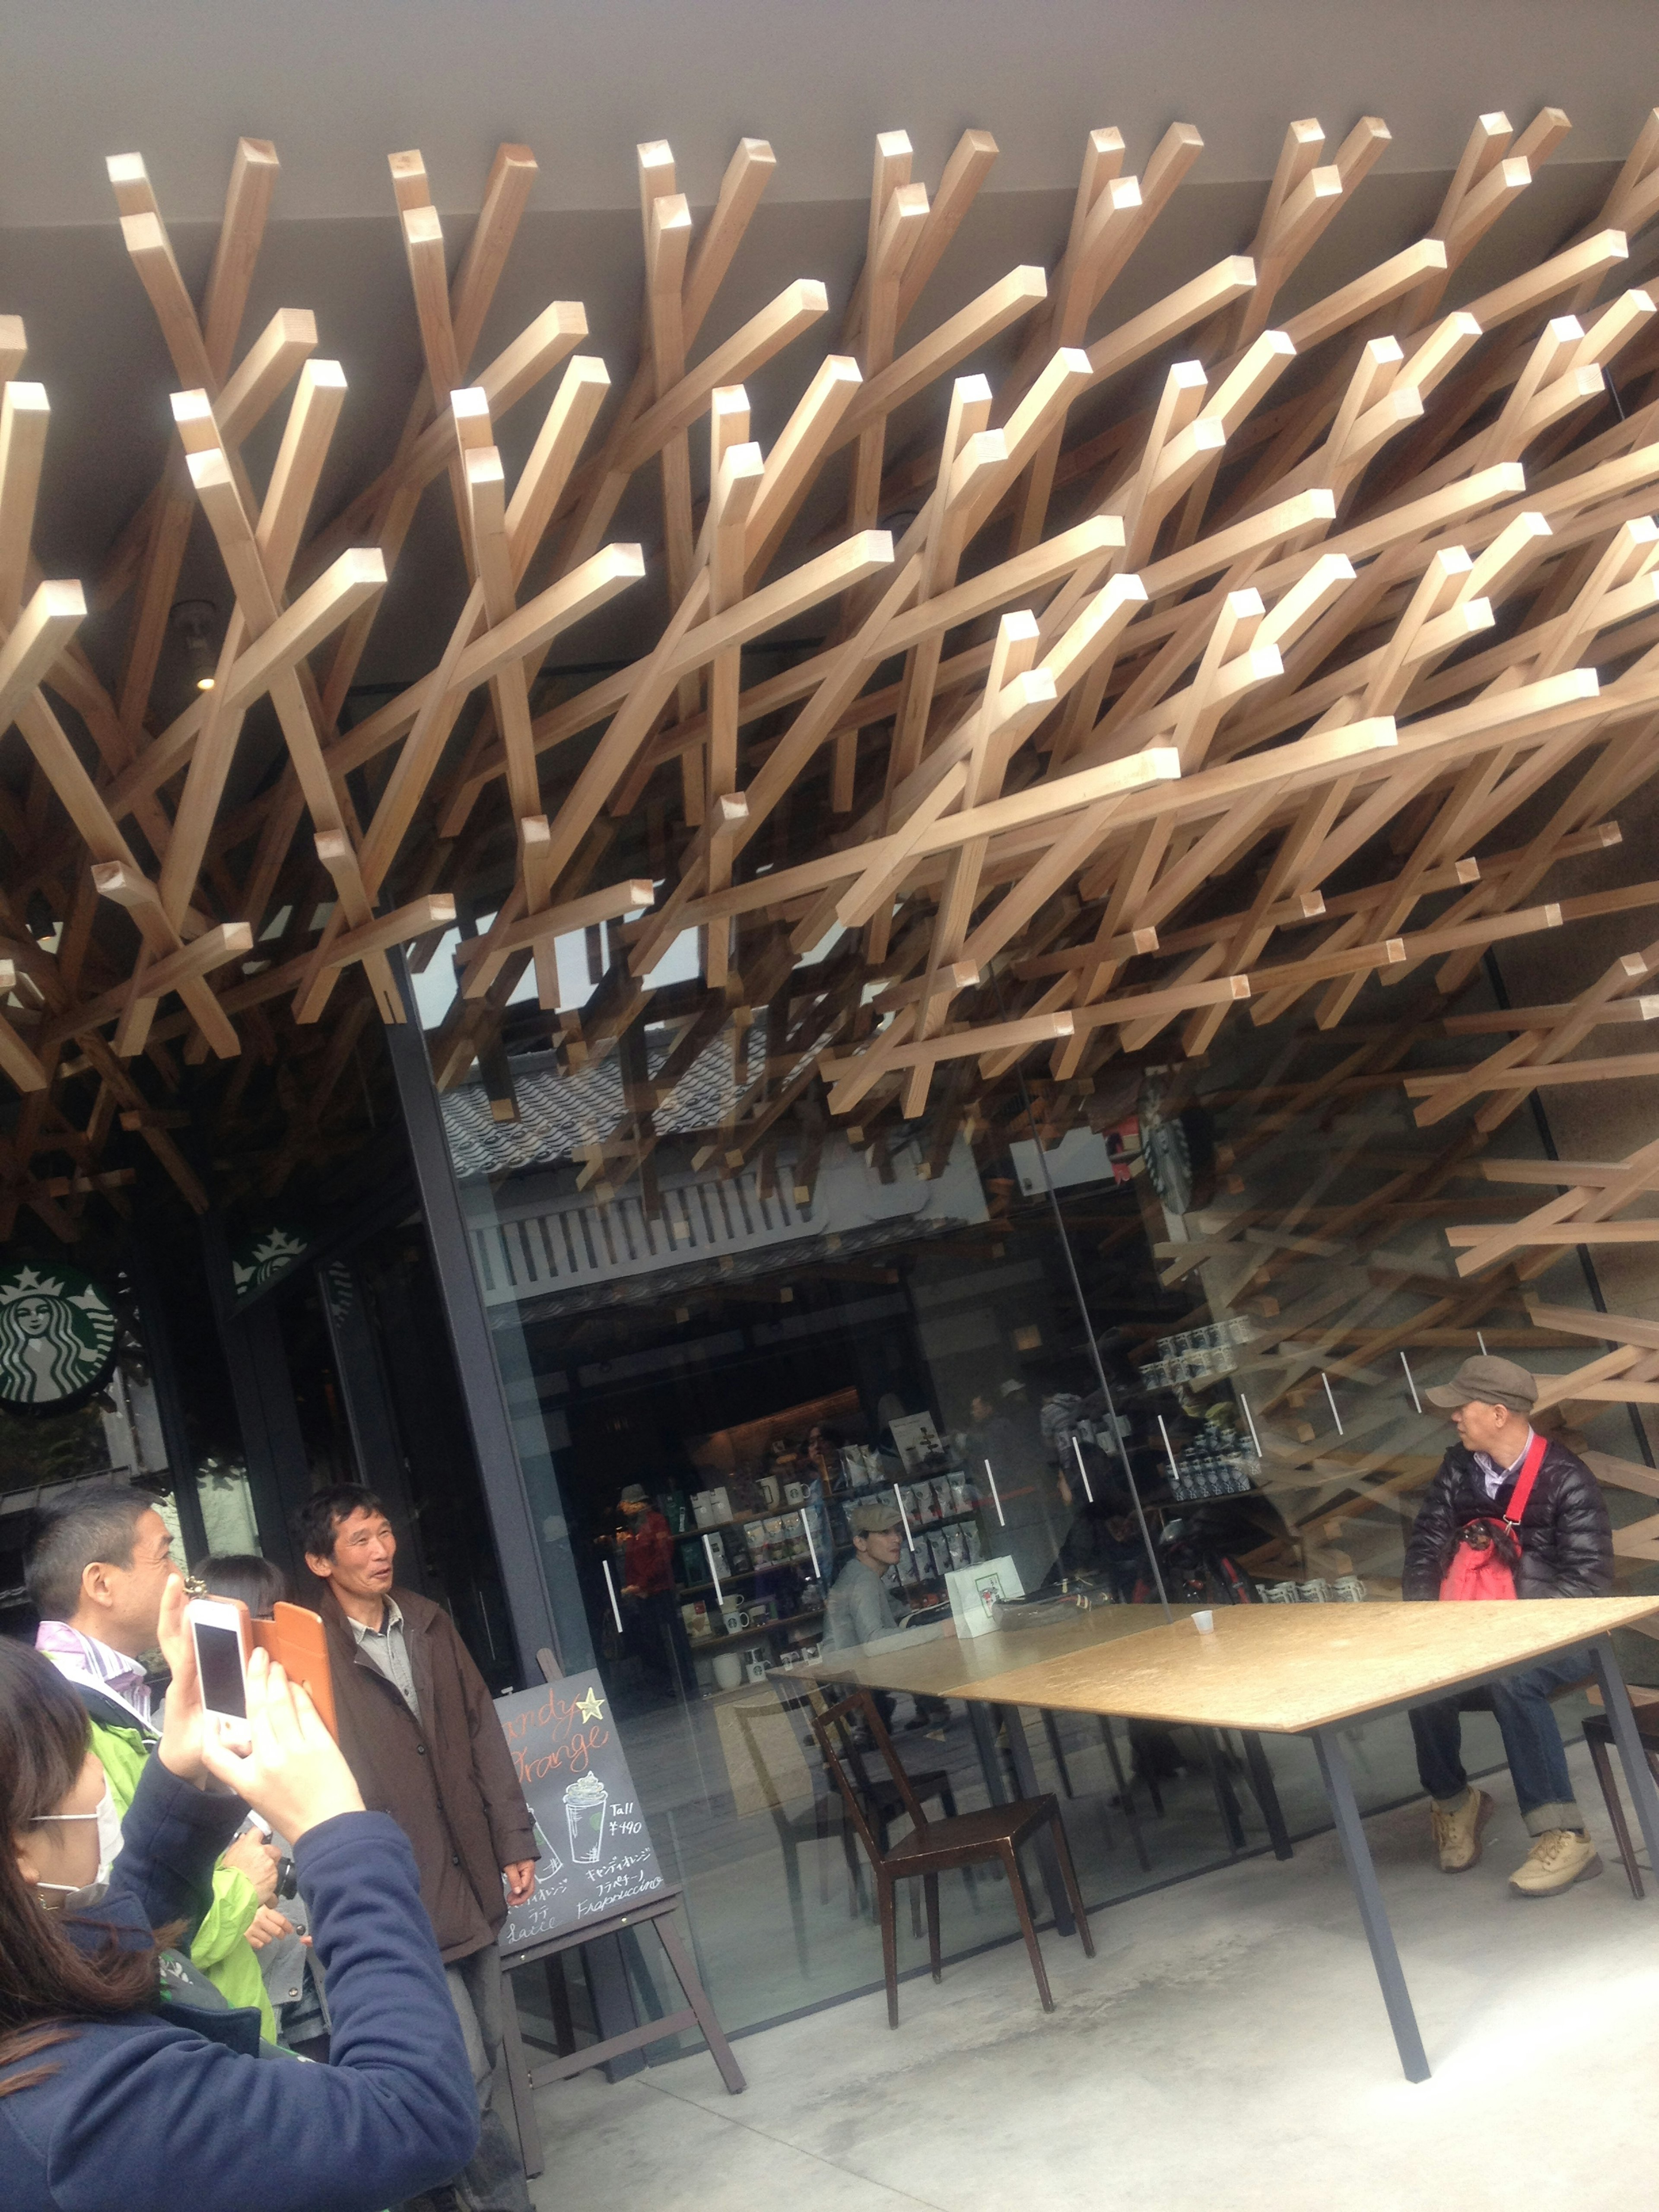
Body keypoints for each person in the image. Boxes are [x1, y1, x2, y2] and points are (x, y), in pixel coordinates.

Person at [0, 1575, 479, 2212]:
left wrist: (183, 1778)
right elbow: (412, 2114)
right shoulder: (95, 2113)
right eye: (74, 1750)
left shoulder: (26, 1995)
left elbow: (111, 1958)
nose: (94, 1774)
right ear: (19, 1850)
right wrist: (336, 1833)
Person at [298, 1484, 538, 2212]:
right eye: (360, 1541)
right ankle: (498, 2202)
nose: (381, 1551)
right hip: (397, 1886)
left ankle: (448, 2194)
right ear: (319, 1561)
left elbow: (481, 1733)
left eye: (384, 1532)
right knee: (460, 2066)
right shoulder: (311, 1649)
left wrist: (512, 1838)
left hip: (469, 1870)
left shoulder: (430, 1622)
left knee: (489, 2047)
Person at [26, 1483, 280, 2035]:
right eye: (164, 1552)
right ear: (101, 1582)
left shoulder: (116, 1694)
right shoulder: (55, 1720)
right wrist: (241, 1887)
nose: (185, 1576)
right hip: (188, 2041)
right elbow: (121, 1917)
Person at [1402, 1354, 1614, 1898]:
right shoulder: (1458, 1466)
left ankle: (1565, 1834)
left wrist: (1510, 1635)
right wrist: (1430, 1622)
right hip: (1476, 1631)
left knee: (1513, 1677)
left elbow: (1588, 1587)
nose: (1453, 1417)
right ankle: (1454, 1800)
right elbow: (1426, 1544)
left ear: (1499, 1413)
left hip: (1560, 1636)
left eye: (1462, 1406)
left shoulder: (1567, 1479)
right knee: (1419, 1674)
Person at [197, 1551, 331, 2059]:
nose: (277, 1637)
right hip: (253, 1986)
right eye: (267, 1620)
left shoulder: (305, 1712)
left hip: (329, 1969)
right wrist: (231, 1906)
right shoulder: (170, 1742)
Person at [616, 1482, 686, 1696]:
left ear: (637, 1504)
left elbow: (663, 1556)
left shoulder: (656, 1522)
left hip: (660, 1590)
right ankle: (668, 1679)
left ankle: (679, 1680)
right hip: (643, 1594)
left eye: (627, 1504)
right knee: (652, 1638)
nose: (624, 1508)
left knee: (668, 1636)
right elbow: (630, 1561)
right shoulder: (633, 1529)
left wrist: (642, 1583)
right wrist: (633, 1586)